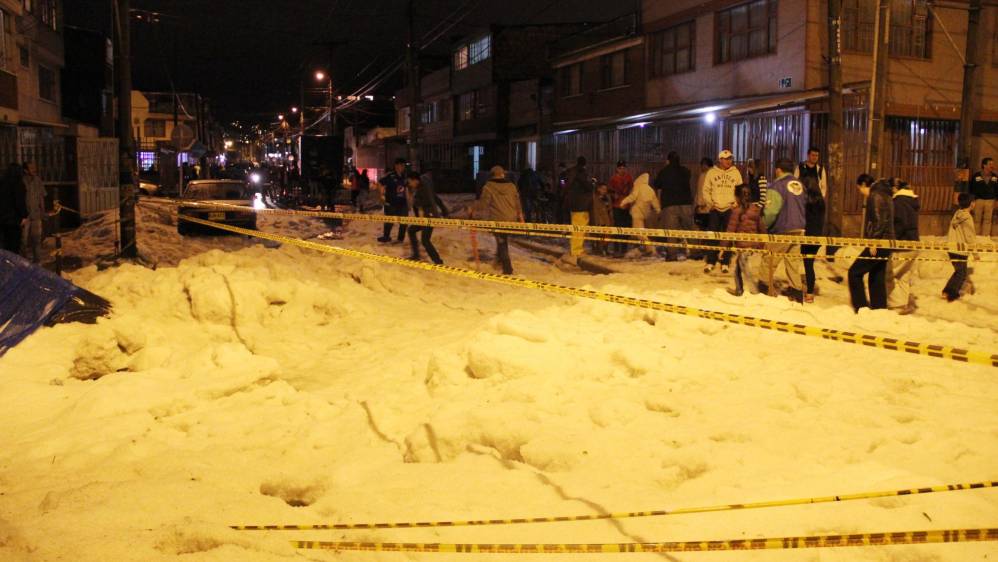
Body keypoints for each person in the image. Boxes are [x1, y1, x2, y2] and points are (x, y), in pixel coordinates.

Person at [761, 159, 807, 300]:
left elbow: (771, 212)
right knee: (793, 262)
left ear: (778, 170)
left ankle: (764, 289)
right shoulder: (800, 185)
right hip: (799, 228)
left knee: (769, 260)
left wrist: (764, 225)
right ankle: (796, 291)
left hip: (782, 229)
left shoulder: (776, 186)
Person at [847, 175, 894, 312]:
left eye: (859, 189)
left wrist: (873, 241)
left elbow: (879, 220)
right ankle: (879, 309)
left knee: (854, 272)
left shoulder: (875, 195)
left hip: (879, 241)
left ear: (863, 185)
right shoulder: (886, 194)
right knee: (876, 275)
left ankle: (860, 307)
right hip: (887, 241)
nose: (860, 193)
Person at [478, 165, 523, 275]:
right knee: (502, 239)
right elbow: (517, 202)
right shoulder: (512, 186)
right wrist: (520, 216)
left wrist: (475, 212)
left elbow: (484, 204)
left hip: (497, 219)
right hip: (511, 218)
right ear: (503, 174)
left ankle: (507, 268)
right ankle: (498, 261)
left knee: (502, 243)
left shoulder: (488, 187)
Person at [702, 149, 742, 273]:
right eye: (726, 159)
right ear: (720, 160)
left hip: (729, 209)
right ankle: (711, 261)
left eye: (730, 158)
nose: (729, 161)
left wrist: (735, 204)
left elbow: (740, 191)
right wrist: (710, 204)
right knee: (712, 236)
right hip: (715, 208)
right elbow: (706, 190)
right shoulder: (711, 173)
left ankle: (725, 262)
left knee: (728, 236)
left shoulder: (736, 173)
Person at [726, 184, 766, 296]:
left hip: (743, 245)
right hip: (753, 244)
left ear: (737, 197)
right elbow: (762, 227)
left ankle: (754, 292)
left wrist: (722, 248)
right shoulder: (756, 210)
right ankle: (739, 289)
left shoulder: (736, 211)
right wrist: (762, 243)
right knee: (738, 267)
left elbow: (730, 230)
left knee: (745, 269)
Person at [653, 151, 694, 261]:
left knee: (671, 232)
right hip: (686, 204)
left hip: (669, 205)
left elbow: (656, 185)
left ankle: (672, 255)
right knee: (690, 229)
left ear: (668, 160)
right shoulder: (685, 171)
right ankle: (696, 252)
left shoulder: (664, 172)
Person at [888, 180, 920, 314]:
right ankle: (902, 304)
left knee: (891, 273)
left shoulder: (899, 202)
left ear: (895, 188)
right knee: (904, 275)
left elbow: (900, 223)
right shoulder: (912, 201)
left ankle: (895, 304)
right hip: (913, 244)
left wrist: (891, 240)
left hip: (902, 244)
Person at [405, 171, 447, 264]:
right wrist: (444, 210)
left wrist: (437, 216)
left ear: (415, 180)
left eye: (410, 181)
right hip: (424, 217)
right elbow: (435, 197)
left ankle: (438, 261)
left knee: (425, 239)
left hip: (429, 216)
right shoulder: (422, 185)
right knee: (411, 230)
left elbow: (431, 200)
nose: (409, 184)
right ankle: (416, 255)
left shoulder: (424, 188)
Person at [943, 193, 977, 301]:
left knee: (958, 271)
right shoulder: (967, 217)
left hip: (952, 248)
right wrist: (975, 252)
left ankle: (947, 291)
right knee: (961, 273)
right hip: (960, 249)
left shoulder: (957, 214)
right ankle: (951, 294)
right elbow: (969, 236)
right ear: (971, 204)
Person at [620, 173, 661, 257]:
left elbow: (632, 197)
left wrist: (623, 202)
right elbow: (655, 202)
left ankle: (649, 248)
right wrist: (658, 211)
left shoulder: (639, 187)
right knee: (638, 232)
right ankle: (642, 248)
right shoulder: (650, 190)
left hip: (636, 213)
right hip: (644, 214)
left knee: (638, 232)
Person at [802, 175, 825, 302]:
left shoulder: (806, 202)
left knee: (806, 264)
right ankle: (810, 292)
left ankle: (806, 291)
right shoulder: (821, 201)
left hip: (806, 236)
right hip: (817, 237)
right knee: (809, 265)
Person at [377, 158, 409, 243]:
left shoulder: (404, 176)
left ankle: (400, 239)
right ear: (396, 166)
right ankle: (386, 237)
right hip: (391, 203)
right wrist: (381, 195)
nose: (402, 167)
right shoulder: (390, 176)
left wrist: (409, 202)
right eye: (401, 165)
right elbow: (380, 183)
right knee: (389, 222)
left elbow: (406, 189)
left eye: (403, 166)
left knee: (403, 222)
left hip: (402, 203)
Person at [567, 160, 593, 256]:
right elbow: (588, 187)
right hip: (581, 205)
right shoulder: (581, 175)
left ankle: (575, 249)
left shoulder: (570, 174)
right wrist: (592, 183)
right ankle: (577, 250)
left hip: (573, 205)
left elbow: (563, 185)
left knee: (575, 228)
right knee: (580, 229)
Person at [608, 160, 633, 256]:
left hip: (626, 207)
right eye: (620, 168)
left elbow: (632, 190)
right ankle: (616, 248)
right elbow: (610, 191)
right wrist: (614, 195)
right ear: (616, 169)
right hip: (617, 206)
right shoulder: (613, 179)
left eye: (623, 168)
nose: (622, 170)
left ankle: (624, 249)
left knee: (626, 228)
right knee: (617, 228)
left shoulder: (628, 177)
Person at [22, 161, 46, 263]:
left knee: (36, 240)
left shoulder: (38, 180)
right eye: (31, 168)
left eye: (34, 167)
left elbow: (41, 197)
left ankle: (37, 262)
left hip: (36, 214)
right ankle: (23, 262)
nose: (34, 170)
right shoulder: (21, 181)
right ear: (25, 170)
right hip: (25, 215)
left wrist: (43, 212)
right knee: (23, 241)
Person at [0, 163, 27, 253]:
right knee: (14, 245)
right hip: (14, 219)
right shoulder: (18, 184)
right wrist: (24, 215)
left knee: (5, 244)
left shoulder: (2, 183)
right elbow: (19, 202)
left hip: (3, 218)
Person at [969, 157, 996, 237]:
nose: (992, 166)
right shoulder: (976, 176)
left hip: (990, 201)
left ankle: (985, 237)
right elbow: (971, 188)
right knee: (977, 219)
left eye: (993, 164)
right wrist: (972, 200)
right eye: (990, 164)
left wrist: (997, 200)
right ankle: (976, 236)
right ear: (984, 165)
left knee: (988, 220)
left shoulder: (995, 177)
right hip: (978, 200)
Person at [590, 182, 614, 256]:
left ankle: (605, 249)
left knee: (607, 235)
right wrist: (597, 220)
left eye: (605, 189)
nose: (605, 190)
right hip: (599, 219)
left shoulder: (607, 197)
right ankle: (598, 249)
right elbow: (595, 210)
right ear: (598, 189)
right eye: (603, 189)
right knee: (599, 235)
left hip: (607, 219)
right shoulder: (594, 198)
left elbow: (610, 209)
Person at [693, 157, 713, 229]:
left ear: (705, 165)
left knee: (703, 228)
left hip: (704, 207)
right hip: (709, 207)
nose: (701, 167)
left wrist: (699, 204)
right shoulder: (708, 174)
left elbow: (701, 191)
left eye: (701, 165)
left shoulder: (705, 175)